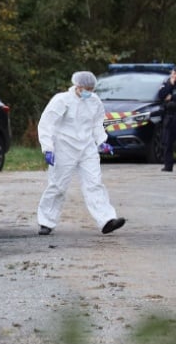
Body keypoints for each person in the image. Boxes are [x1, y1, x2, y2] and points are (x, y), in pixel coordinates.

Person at [36, 71, 126, 236]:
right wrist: (48, 148)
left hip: (87, 148)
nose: (89, 92)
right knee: (57, 186)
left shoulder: (95, 101)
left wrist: (101, 141)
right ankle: (46, 222)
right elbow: (46, 124)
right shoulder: (62, 100)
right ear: (77, 86)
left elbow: (97, 124)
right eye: (86, 89)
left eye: (91, 89)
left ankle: (106, 220)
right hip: (64, 147)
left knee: (94, 183)